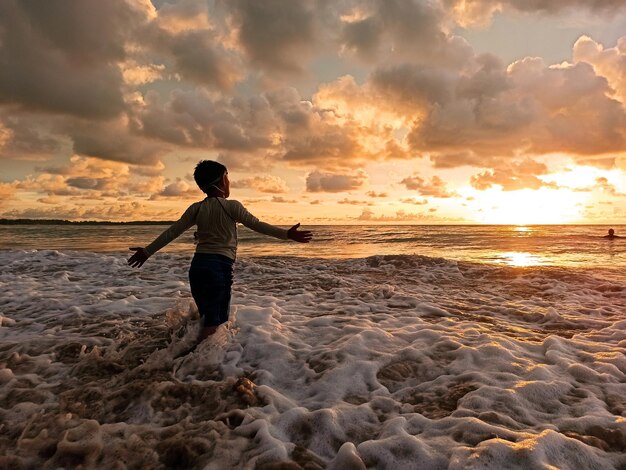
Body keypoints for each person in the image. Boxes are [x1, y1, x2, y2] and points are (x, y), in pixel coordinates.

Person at [128, 160, 312, 344]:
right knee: (215, 324)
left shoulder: (196, 208)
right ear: (223, 180)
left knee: (207, 317)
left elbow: (172, 231)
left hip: (197, 268)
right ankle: (193, 364)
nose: (229, 182)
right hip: (218, 269)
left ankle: (186, 354)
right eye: (228, 177)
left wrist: (147, 251)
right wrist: (287, 234)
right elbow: (256, 225)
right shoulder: (232, 206)